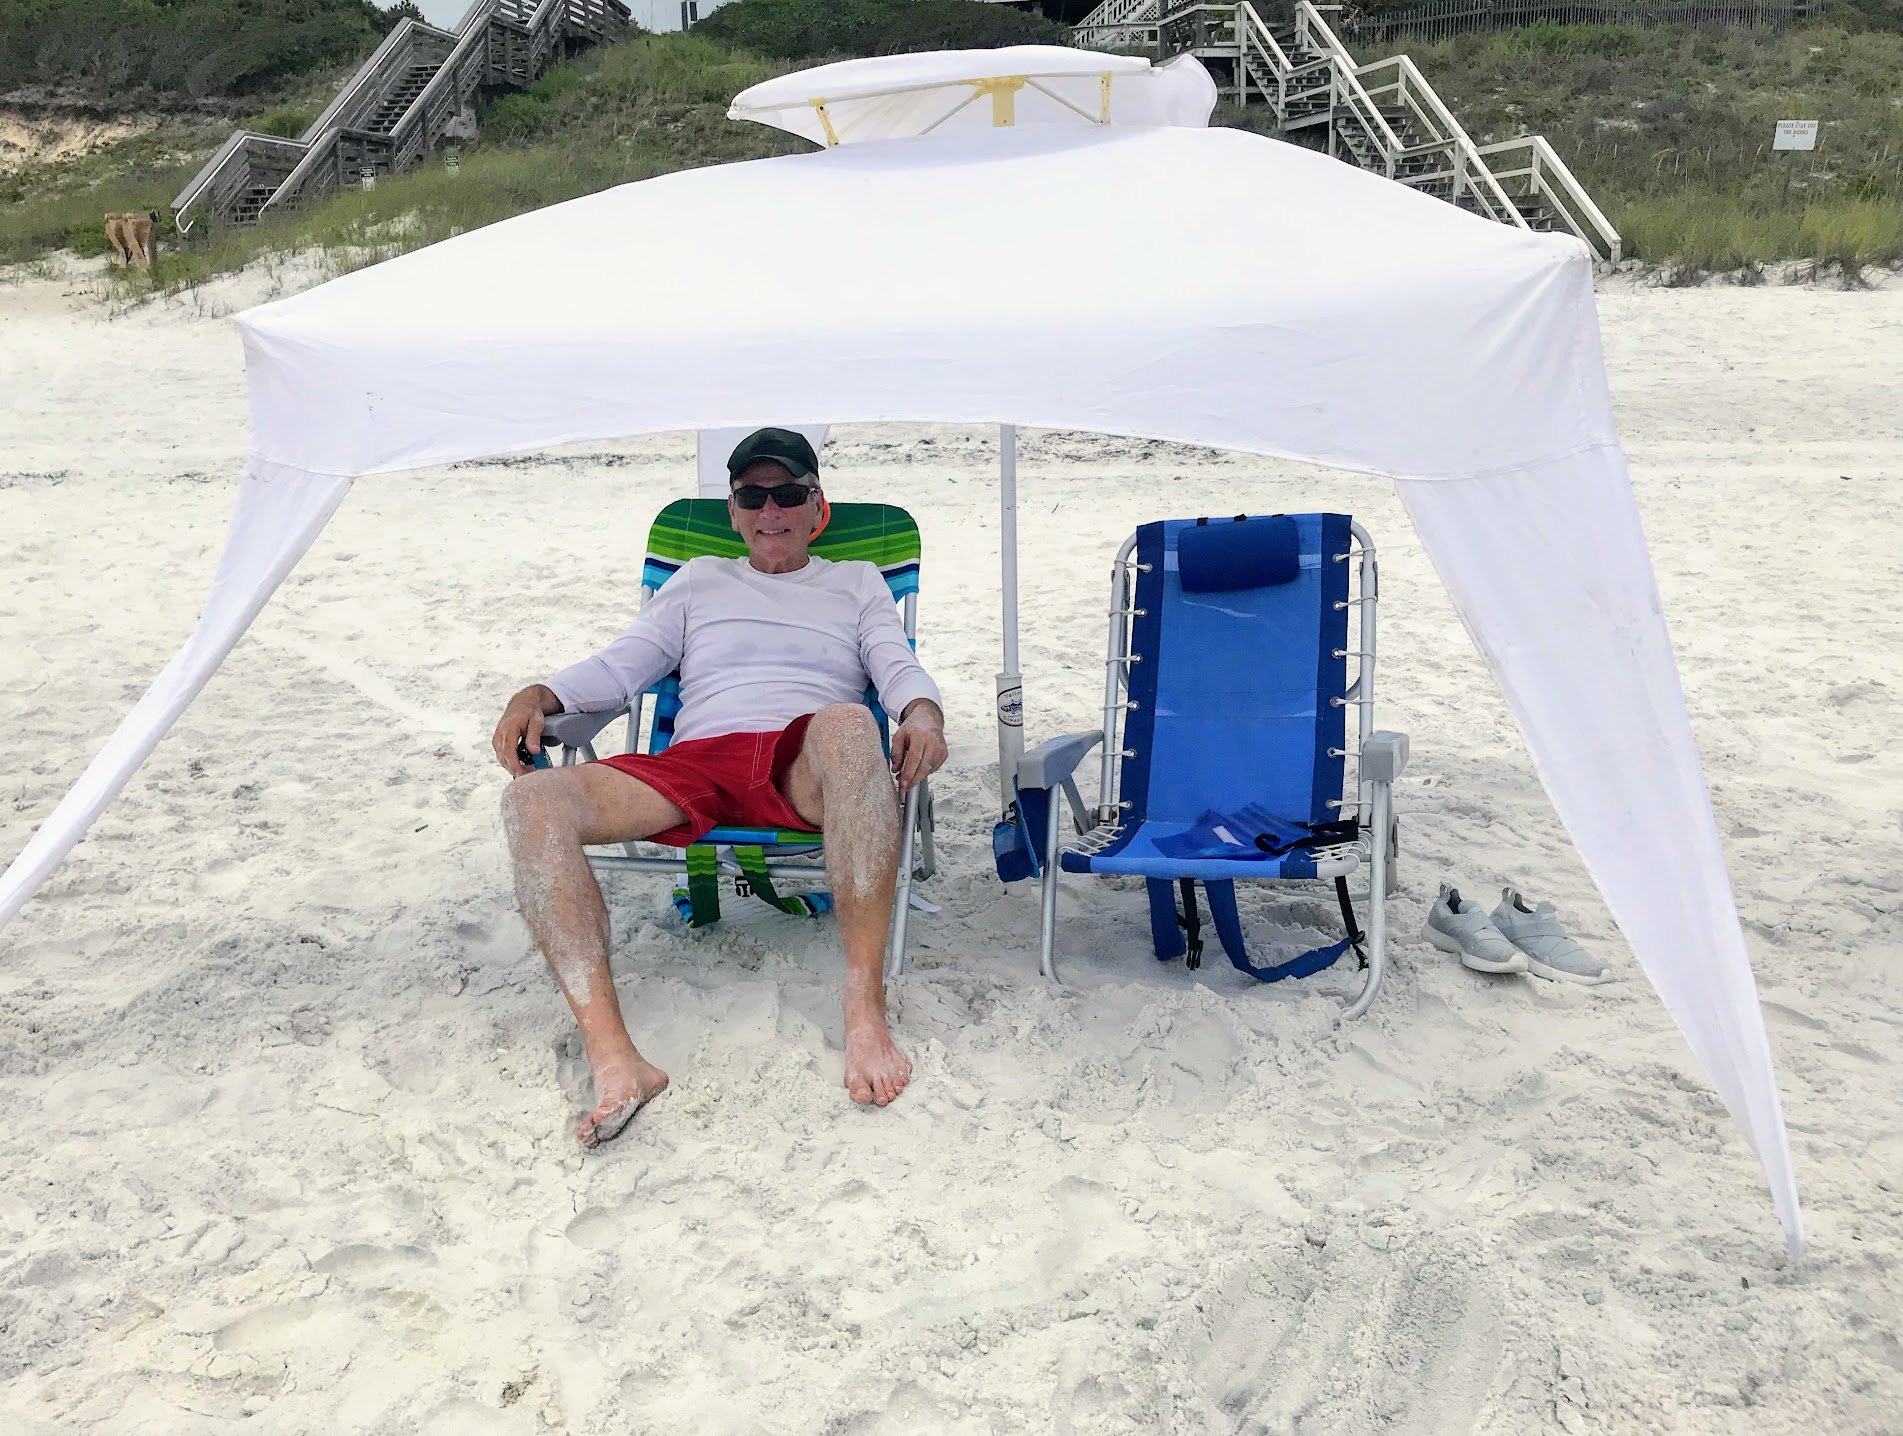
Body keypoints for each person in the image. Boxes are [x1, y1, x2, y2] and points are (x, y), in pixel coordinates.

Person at [493, 428, 948, 1148]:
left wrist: (922, 716)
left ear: (817, 508)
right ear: (733, 511)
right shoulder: (699, 578)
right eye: (752, 497)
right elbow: (621, 669)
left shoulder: (855, 581)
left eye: (789, 494)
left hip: (803, 761)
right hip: (697, 761)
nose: (771, 510)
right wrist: (535, 694)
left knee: (850, 723)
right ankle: (616, 1060)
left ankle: (863, 1008)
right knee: (530, 801)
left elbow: (898, 672)